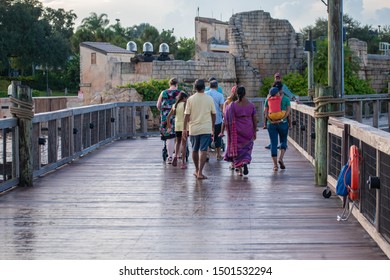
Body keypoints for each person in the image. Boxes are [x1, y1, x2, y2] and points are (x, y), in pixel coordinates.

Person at [183, 79, 216, 180]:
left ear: (195, 88)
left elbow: (186, 115)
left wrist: (185, 128)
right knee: (203, 150)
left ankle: (196, 170)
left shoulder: (190, 99)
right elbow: (213, 114)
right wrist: (213, 126)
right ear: (204, 87)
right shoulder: (209, 99)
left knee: (194, 150)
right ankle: (200, 172)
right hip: (205, 128)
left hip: (194, 128)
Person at [223, 86, 257, 176]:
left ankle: (239, 169)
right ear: (245, 93)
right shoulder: (251, 105)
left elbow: (226, 117)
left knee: (237, 148)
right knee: (247, 147)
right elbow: (254, 119)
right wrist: (255, 131)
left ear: (236, 94)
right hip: (248, 129)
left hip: (237, 130)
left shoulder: (233, 105)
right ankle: (245, 161)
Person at [264, 86, 291, 171]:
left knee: (273, 143)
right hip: (283, 123)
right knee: (283, 141)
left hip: (271, 124)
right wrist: (283, 120)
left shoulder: (267, 99)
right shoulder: (286, 99)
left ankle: (275, 165)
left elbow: (265, 112)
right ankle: (281, 158)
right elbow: (288, 112)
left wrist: (270, 121)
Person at [156, 78, 181, 164]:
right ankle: (177, 155)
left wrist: (163, 112)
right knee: (178, 136)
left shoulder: (164, 92)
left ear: (169, 84)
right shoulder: (180, 93)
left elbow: (158, 105)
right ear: (177, 84)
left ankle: (170, 157)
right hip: (177, 116)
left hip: (166, 117)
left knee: (169, 137)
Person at [166, 91, 189, 169]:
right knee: (184, 144)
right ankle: (183, 162)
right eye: (187, 98)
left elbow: (168, 117)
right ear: (184, 98)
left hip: (177, 126)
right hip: (184, 126)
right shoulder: (185, 105)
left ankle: (175, 155)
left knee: (178, 142)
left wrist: (169, 126)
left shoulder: (174, 105)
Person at [206, 79, 225, 161]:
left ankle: (207, 154)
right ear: (217, 86)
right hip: (217, 119)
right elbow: (222, 107)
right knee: (218, 136)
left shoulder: (205, 94)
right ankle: (218, 155)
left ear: (209, 86)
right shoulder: (220, 95)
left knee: (206, 137)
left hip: (207, 119)